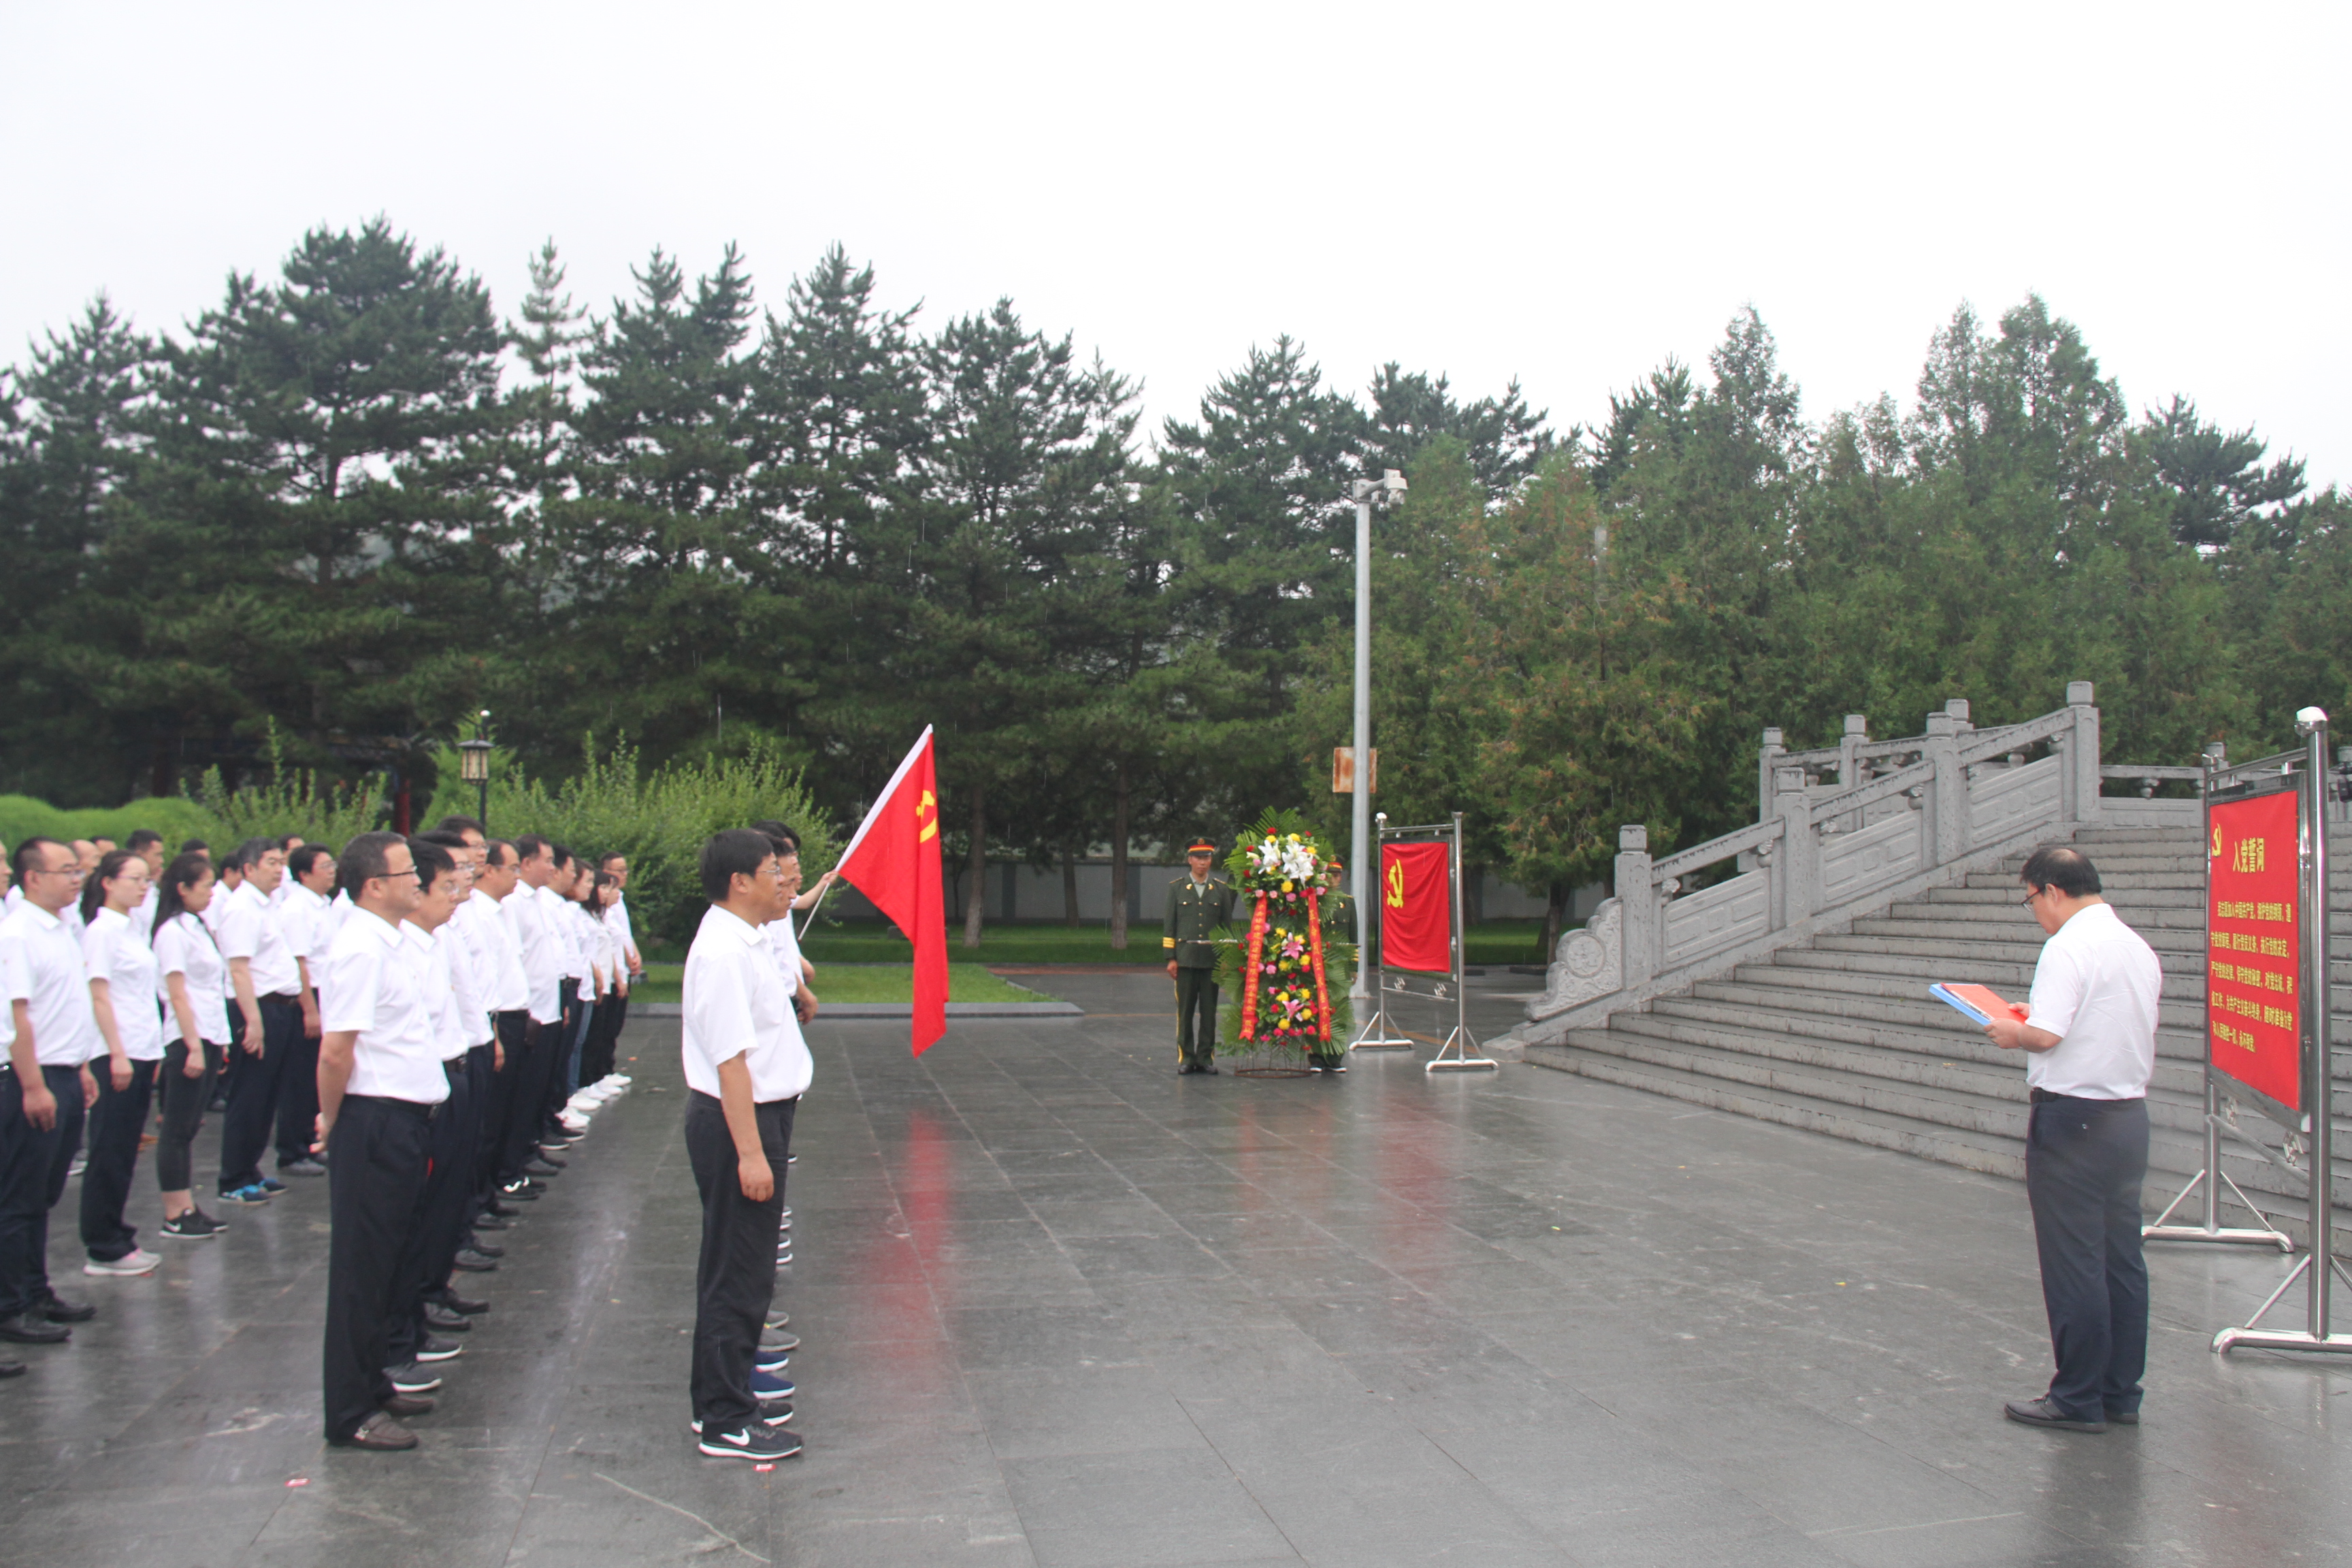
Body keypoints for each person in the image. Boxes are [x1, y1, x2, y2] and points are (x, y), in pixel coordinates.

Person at [1983, 845, 2161, 1434]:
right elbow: (2095, 1021)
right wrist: (2033, 1017)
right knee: (2121, 1261)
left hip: (2073, 1123)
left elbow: (2047, 1037)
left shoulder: (2066, 947)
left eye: (2031, 899)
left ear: (2053, 891)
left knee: (2074, 1262)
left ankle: (2076, 1397)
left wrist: (2015, 1032)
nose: (2034, 910)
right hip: (2127, 1119)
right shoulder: (2134, 946)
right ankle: (2119, 1393)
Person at [681, 829, 806, 1461]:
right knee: (738, 1272)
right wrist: (752, 1154)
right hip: (740, 1124)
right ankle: (725, 1419)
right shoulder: (723, 952)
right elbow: (731, 1063)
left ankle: (723, 1399)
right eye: (771, 871)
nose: (783, 881)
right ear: (739, 882)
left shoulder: (746, 939)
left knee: (743, 1268)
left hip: (757, 1117)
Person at [315, 831, 442, 1452]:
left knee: (387, 1263)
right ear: (373, 886)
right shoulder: (360, 949)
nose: (418, 880)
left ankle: (372, 1382)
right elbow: (336, 1051)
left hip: (402, 1118)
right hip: (373, 1119)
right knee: (360, 1272)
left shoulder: (388, 942)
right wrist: (331, 1121)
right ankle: (350, 1411)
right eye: (407, 872)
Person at [381, 837, 480, 1385]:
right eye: (444, 885)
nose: (456, 894)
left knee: (443, 1201)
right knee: (412, 1218)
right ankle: (403, 1333)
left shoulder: (432, 943)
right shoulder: (397, 949)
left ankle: (423, 1308)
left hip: (449, 1074)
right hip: (415, 1092)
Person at [0, 838, 101, 1344]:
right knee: (19, 1197)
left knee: (43, 1194)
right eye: (66, 870)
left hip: (64, 1070)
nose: (76, 878)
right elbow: (17, 1016)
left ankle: (37, 1292)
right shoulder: (18, 934)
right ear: (34, 878)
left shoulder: (60, 928)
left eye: (78, 870)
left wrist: (81, 1066)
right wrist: (34, 1085)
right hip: (32, 1077)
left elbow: (65, 1005)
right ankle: (11, 1305)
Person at [78, 851, 163, 1277]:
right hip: (118, 1052)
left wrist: (153, 1050)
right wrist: (116, 1053)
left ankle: (117, 1233)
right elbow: (99, 995)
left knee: (125, 1149)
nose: (143, 887)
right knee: (109, 1149)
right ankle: (102, 1245)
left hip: (142, 1049)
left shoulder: (133, 928)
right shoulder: (101, 932)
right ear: (108, 883)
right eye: (135, 879)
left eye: (147, 880)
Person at [215, 838, 300, 1204]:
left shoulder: (269, 904)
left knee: (267, 1096)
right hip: (257, 1008)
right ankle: (233, 1178)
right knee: (249, 1095)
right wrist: (253, 1021)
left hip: (280, 1007)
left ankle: (251, 1169)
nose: (279, 869)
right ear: (248, 869)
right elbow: (239, 969)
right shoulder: (242, 908)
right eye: (271, 863)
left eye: (281, 862)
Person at [150, 853, 231, 1240]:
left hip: (209, 1033)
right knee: (177, 1128)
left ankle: (188, 1206)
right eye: (206, 886)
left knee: (189, 1127)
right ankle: (175, 1212)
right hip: (188, 1037)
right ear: (182, 888)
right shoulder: (171, 932)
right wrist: (193, 1044)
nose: (212, 892)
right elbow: (177, 993)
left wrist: (221, 1040)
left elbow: (212, 988)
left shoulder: (198, 925)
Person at [276, 844, 339, 1179]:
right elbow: (298, 962)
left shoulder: (324, 904)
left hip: (325, 993)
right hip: (308, 996)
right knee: (300, 1080)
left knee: (314, 1080)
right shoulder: (297, 908)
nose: (332, 871)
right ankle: (292, 1150)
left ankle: (311, 1143)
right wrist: (310, 1011)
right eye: (325, 866)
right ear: (304, 874)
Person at [1163, 839, 1233, 1075]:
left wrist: (1225, 958)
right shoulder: (1177, 888)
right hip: (1185, 959)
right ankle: (1186, 1057)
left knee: (1209, 1012)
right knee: (1185, 1012)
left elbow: (1225, 928)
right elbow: (1170, 925)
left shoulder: (1221, 890)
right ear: (1190, 860)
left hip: (1210, 961)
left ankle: (1205, 1057)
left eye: (1207, 858)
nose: (1203, 862)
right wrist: (1170, 958)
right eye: (1198, 858)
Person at [125, 830, 165, 942]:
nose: (161, 861)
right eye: (157, 855)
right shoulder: (129, 892)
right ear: (140, 855)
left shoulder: (154, 887)